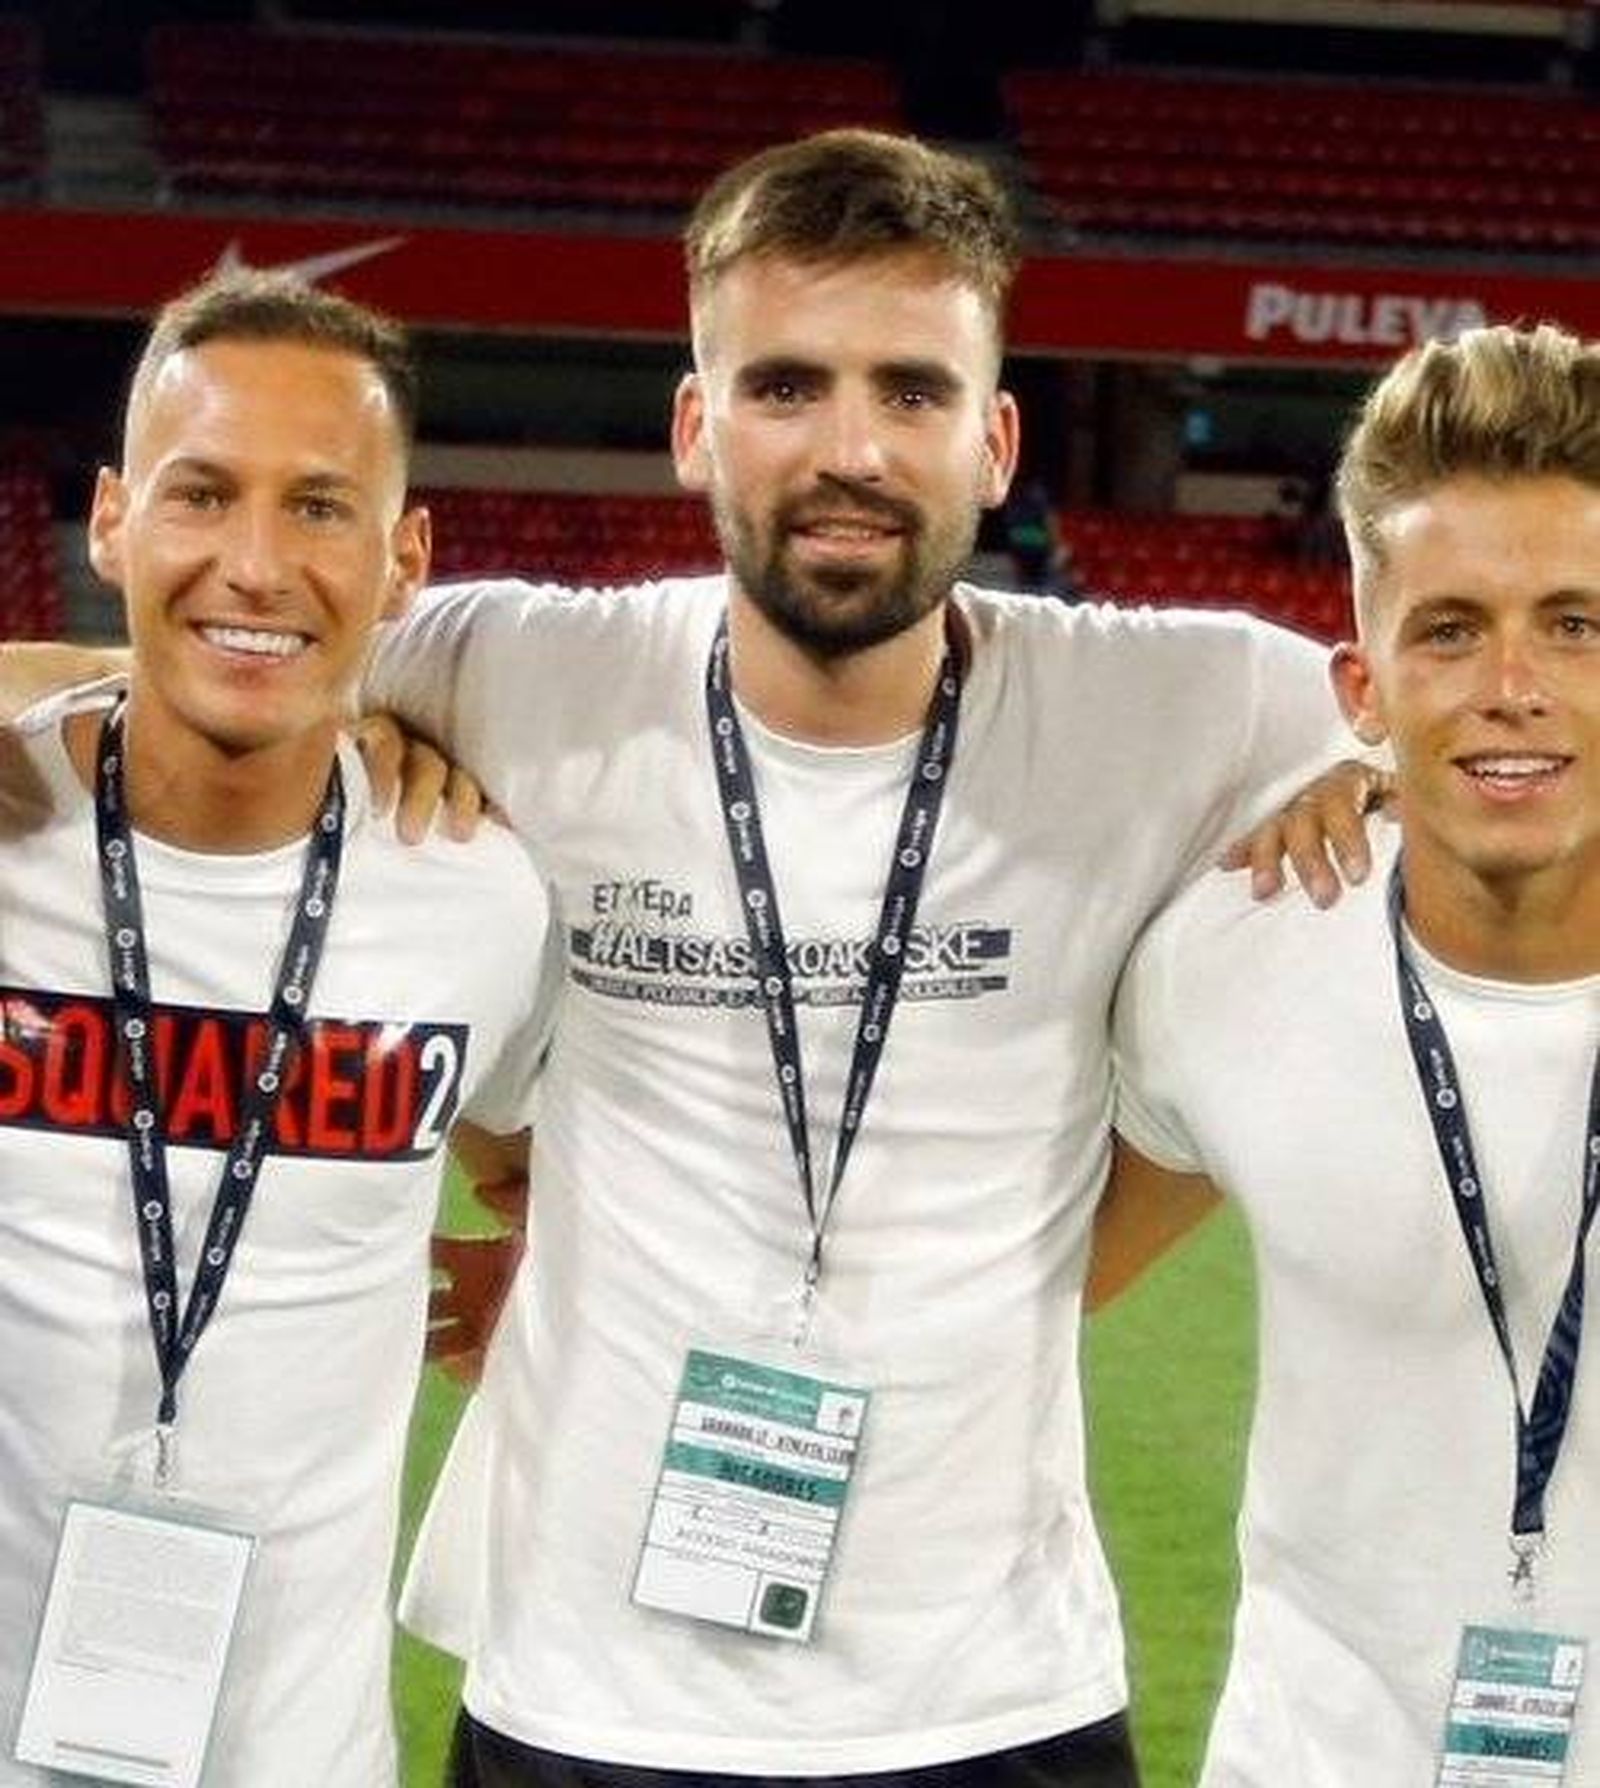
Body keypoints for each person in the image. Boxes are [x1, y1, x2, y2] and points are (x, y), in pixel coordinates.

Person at [361, 127, 1376, 1788]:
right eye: (785, 387)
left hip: (997, 1703)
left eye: (911, 392)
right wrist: (349, 742)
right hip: (586, 1698)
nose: (851, 450)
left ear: (996, 441)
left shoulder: (1195, 704)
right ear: (695, 428)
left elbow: (1498, 737)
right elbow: (181, 683)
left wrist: (1377, 778)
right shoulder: (506, 670)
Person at [0, 269, 553, 1787]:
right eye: (201, 494)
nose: (255, 562)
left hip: (299, 1753)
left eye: (320, 507)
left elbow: (543, 1155)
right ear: (112, 520)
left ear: (403, 559)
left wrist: (552, 1272)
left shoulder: (479, 898)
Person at [1100, 321, 1600, 1783]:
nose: (1513, 682)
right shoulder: (1236, 959)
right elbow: (1022, 1283)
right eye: (1450, 628)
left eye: (1578, 623)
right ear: (1363, 687)